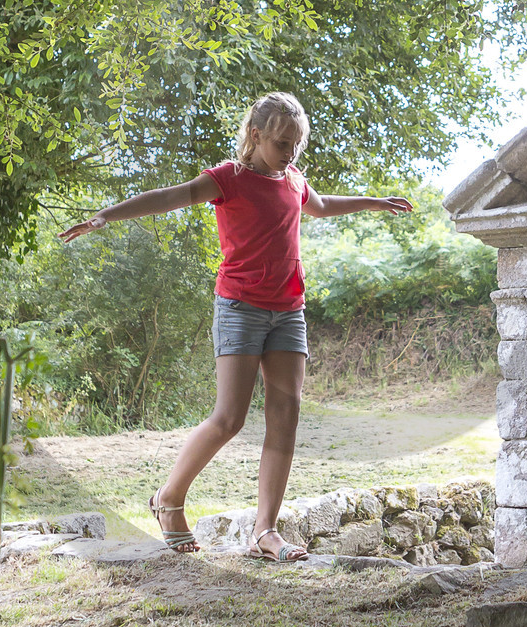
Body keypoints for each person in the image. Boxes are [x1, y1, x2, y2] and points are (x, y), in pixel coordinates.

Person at [60, 92, 413, 561]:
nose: (290, 154)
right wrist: (108, 214)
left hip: (288, 310)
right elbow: (168, 197)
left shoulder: (293, 180)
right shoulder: (229, 179)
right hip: (240, 307)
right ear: (255, 135)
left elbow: (322, 205)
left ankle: (265, 531)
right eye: (282, 143)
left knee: (285, 417)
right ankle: (168, 499)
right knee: (230, 419)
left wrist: (374, 201)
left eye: (296, 146)